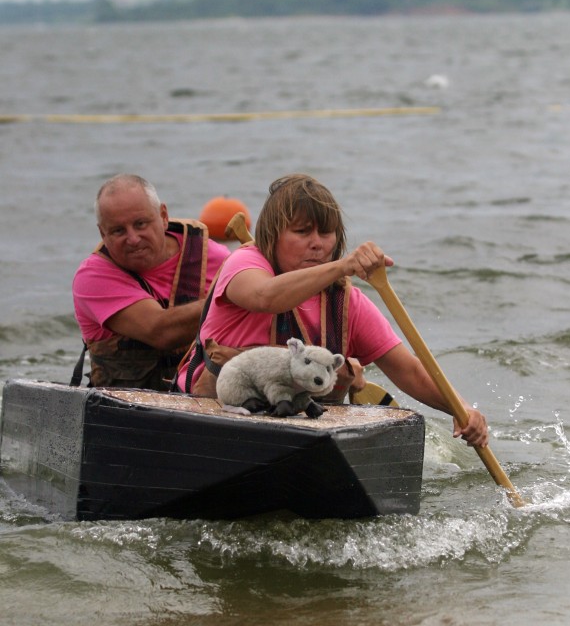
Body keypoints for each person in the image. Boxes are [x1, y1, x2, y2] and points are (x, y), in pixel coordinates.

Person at [175, 174, 488, 447]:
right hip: (213, 415)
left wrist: (462, 410)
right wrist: (345, 265)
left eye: (325, 233)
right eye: (302, 232)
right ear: (272, 236)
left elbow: (410, 370)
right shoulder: (245, 264)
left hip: (294, 429)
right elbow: (266, 297)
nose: (317, 244)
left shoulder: (345, 304)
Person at [72, 173, 230, 390]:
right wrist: (230, 298)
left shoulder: (217, 259)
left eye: (141, 224)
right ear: (102, 233)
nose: (133, 238)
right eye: (118, 230)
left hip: (207, 401)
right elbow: (160, 332)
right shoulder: (92, 277)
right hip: (124, 409)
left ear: (163, 216)